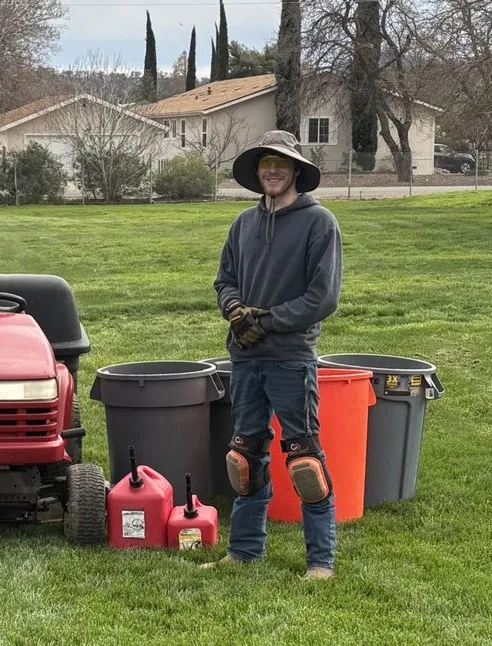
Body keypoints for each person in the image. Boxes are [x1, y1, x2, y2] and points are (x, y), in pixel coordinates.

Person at [202, 130, 343, 580]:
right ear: (256, 171)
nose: (272, 170)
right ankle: (243, 552)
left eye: (281, 163)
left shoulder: (319, 223)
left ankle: (320, 562)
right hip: (244, 359)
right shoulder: (243, 223)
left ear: (296, 169)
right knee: (244, 458)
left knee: (304, 460)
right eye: (265, 163)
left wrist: (265, 320)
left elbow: (322, 298)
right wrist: (234, 311)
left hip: (290, 357)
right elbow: (224, 280)